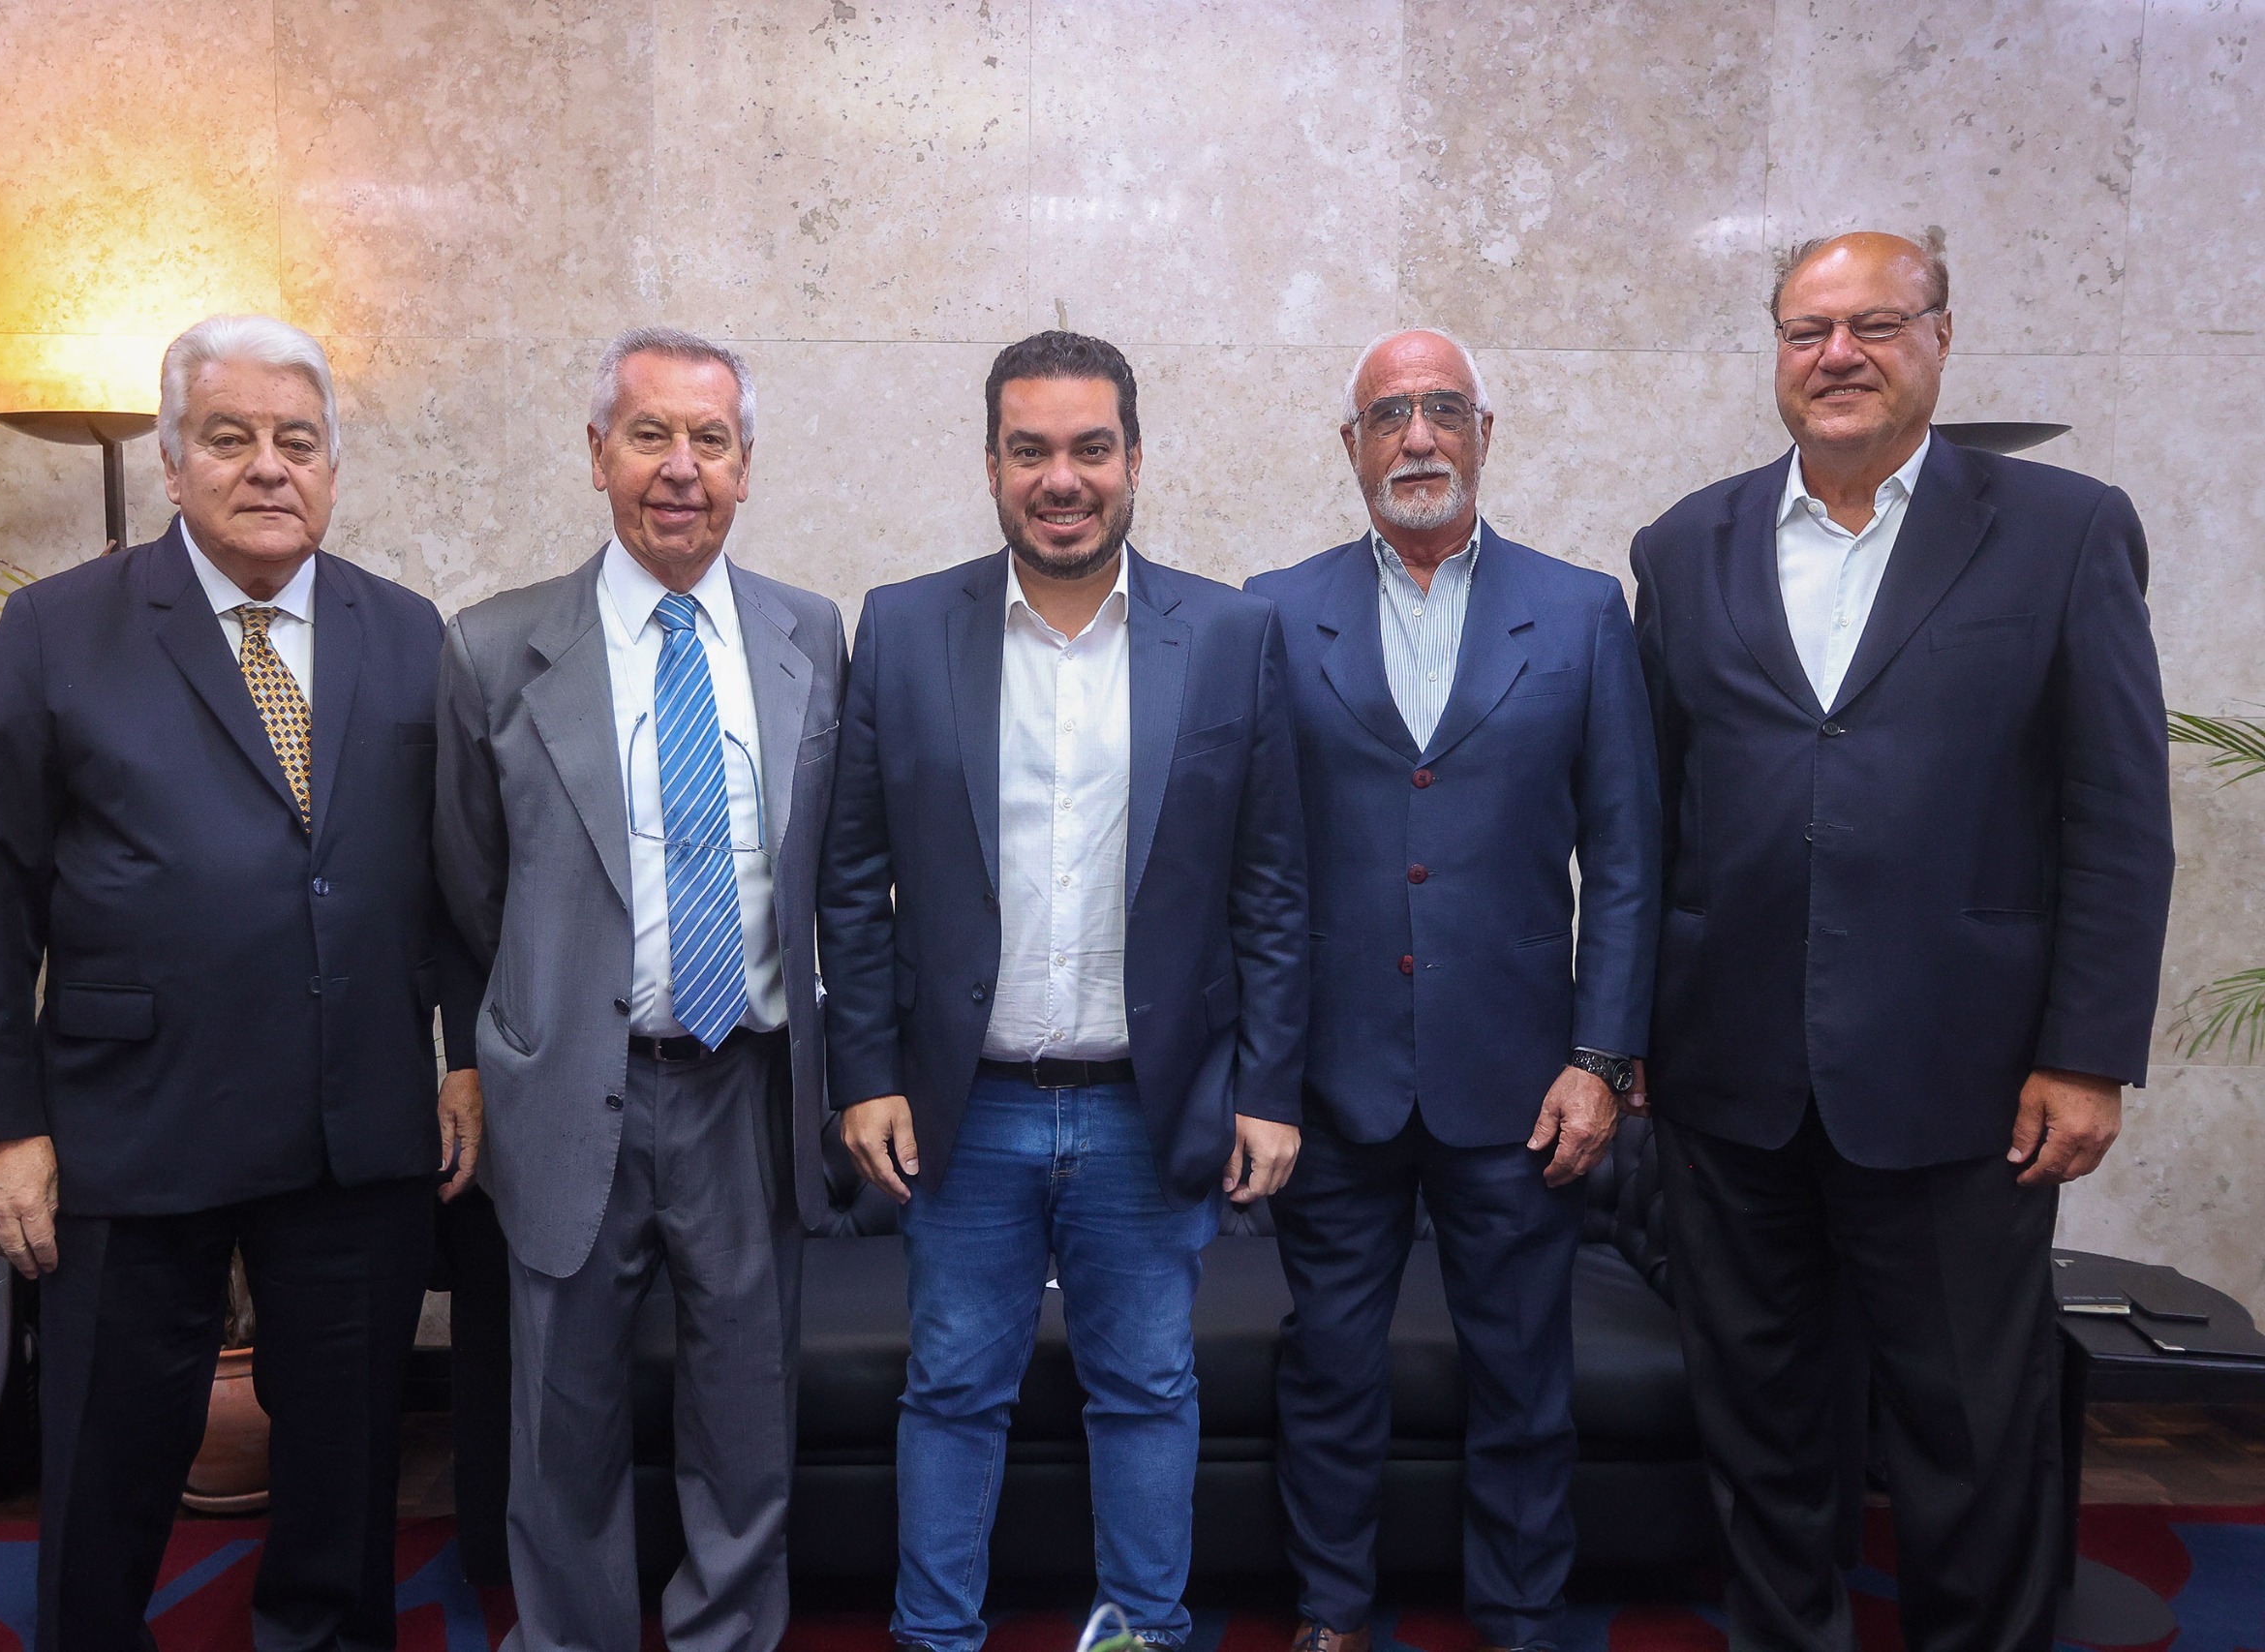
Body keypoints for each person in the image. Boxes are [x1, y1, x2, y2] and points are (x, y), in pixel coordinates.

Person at [1630, 230, 2174, 1652]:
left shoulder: (2063, 530)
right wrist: (1628, 1035)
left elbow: (2118, 809)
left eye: (1876, 324)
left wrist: (2089, 1053)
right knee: (1761, 1430)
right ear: (1776, 351)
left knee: (1970, 1437)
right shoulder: (1682, 547)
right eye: (1808, 330)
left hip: (1963, 1077)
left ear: (1941, 336)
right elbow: (1656, 820)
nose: (1839, 355)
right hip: (1728, 1077)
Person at [0, 314, 483, 1651]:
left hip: (354, 1127)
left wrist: (460, 1054)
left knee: (347, 1460)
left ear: (333, 466)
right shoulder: (59, 628)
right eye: (230, 437)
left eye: (298, 440)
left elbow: (454, 873)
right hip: (135, 1119)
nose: (268, 465)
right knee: (110, 1455)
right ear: (172, 463)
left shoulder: (407, 632)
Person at [819, 330, 1309, 1652]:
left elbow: (1271, 884)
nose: (1062, 478)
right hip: (963, 1107)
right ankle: (936, 1638)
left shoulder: (1230, 635)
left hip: (1150, 1107)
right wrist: (864, 1070)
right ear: (989, 465)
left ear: (1135, 459)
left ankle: (1141, 1636)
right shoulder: (905, 628)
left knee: (1147, 1392)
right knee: (952, 1391)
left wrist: (1268, 1087)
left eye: (1091, 447)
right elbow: (852, 877)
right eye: (1029, 449)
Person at [1246, 328, 1659, 1652]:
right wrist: (1259, 1072)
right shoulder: (1273, 611)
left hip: (1522, 1082)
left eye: (1441, 408)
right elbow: (1254, 859)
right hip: (1334, 1078)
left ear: (1485, 432)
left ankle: (1521, 1616)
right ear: (1350, 445)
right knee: (1329, 1368)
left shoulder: (1582, 611)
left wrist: (1602, 1057)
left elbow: (1629, 857)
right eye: (1388, 413)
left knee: (1525, 1373)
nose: (1416, 435)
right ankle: (1330, 1610)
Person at [434, 326, 845, 1652]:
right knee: (563, 1416)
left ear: (746, 466)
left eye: (710, 440)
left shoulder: (809, 635)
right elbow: (468, 887)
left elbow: (831, 867)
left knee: (747, 1410)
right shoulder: (495, 649)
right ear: (597, 453)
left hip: (748, 1090)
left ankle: (728, 1634)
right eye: (650, 434)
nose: (681, 468)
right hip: (567, 1089)